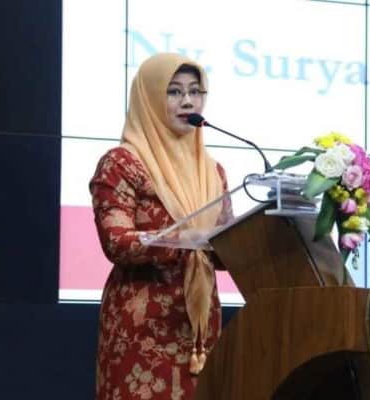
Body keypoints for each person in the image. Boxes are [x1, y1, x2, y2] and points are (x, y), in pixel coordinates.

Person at [89, 53, 230, 400]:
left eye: (195, 91)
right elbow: (116, 242)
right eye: (174, 91)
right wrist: (183, 239)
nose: (188, 101)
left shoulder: (213, 171)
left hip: (199, 326)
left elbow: (228, 244)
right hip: (143, 328)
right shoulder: (121, 164)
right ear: (149, 98)